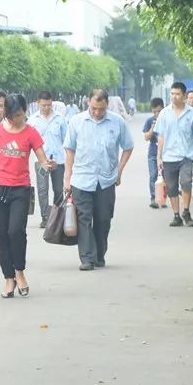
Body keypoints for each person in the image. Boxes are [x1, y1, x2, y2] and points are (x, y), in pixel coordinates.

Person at [0, 93, 54, 298]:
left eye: (18, 115)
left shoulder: (31, 132)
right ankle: (9, 278)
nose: (15, 119)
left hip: (20, 189)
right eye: (10, 116)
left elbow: (42, 158)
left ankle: (19, 271)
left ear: (25, 111)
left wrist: (48, 165)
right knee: (1, 234)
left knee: (16, 231)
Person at [64, 89, 134, 271]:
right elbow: (69, 150)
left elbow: (128, 147)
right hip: (81, 179)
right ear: (89, 102)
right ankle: (87, 258)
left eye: (101, 109)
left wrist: (119, 171)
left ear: (107, 104)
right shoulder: (76, 121)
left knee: (103, 219)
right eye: (94, 108)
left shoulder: (117, 122)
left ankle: (99, 254)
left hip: (106, 180)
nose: (97, 112)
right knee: (84, 218)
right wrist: (67, 178)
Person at [156, 82, 193, 228]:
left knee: (186, 183)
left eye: (177, 94)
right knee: (171, 188)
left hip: (186, 156)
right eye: (172, 94)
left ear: (184, 96)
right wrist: (159, 157)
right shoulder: (164, 113)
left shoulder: (192, 114)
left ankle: (186, 211)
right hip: (169, 156)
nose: (174, 97)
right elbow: (161, 137)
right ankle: (176, 215)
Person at [29, 91, 68, 228]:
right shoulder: (32, 121)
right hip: (41, 162)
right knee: (42, 189)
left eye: (49, 105)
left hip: (58, 160)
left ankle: (58, 217)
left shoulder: (60, 119)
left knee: (58, 189)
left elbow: (66, 140)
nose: (46, 107)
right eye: (43, 105)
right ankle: (45, 218)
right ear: (38, 103)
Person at [143, 98, 166, 209]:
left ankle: (163, 198)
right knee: (153, 175)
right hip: (153, 153)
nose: (157, 114)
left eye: (159, 111)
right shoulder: (149, 121)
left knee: (165, 176)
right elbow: (146, 137)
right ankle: (154, 198)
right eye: (154, 111)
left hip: (166, 153)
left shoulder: (167, 119)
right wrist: (153, 127)